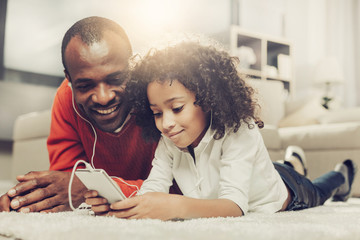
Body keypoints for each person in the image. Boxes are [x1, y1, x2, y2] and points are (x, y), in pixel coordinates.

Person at [84, 41, 356, 220]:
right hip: (254, 169)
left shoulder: (240, 130)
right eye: (157, 113)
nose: (165, 123)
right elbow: (154, 188)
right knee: (270, 167)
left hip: (288, 192)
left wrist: (173, 206)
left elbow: (234, 208)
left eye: (177, 108)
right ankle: (291, 161)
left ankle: (340, 175)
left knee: (321, 190)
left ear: (208, 100)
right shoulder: (170, 139)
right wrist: (122, 207)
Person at [0, 16, 160, 213]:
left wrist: (90, 189)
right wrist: (28, 197)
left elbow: (192, 187)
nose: (103, 97)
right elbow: (67, 181)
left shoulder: (160, 93)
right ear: (69, 80)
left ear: (133, 67)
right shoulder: (66, 97)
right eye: (85, 85)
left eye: (116, 79)